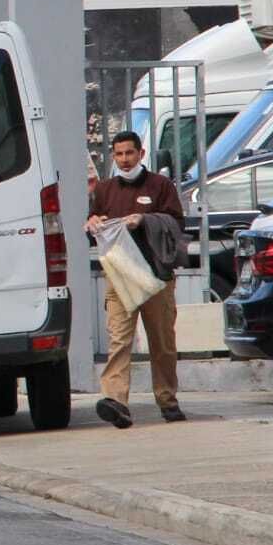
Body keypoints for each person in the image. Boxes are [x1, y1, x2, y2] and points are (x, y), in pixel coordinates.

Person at [86, 130, 186, 429]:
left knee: (162, 342)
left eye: (129, 153)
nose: (124, 159)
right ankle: (115, 401)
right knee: (119, 340)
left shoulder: (161, 185)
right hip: (119, 275)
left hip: (156, 276)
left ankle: (167, 400)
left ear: (141, 154)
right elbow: (93, 227)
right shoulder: (104, 190)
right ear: (113, 156)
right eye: (118, 154)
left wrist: (145, 220)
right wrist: (92, 223)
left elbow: (176, 224)